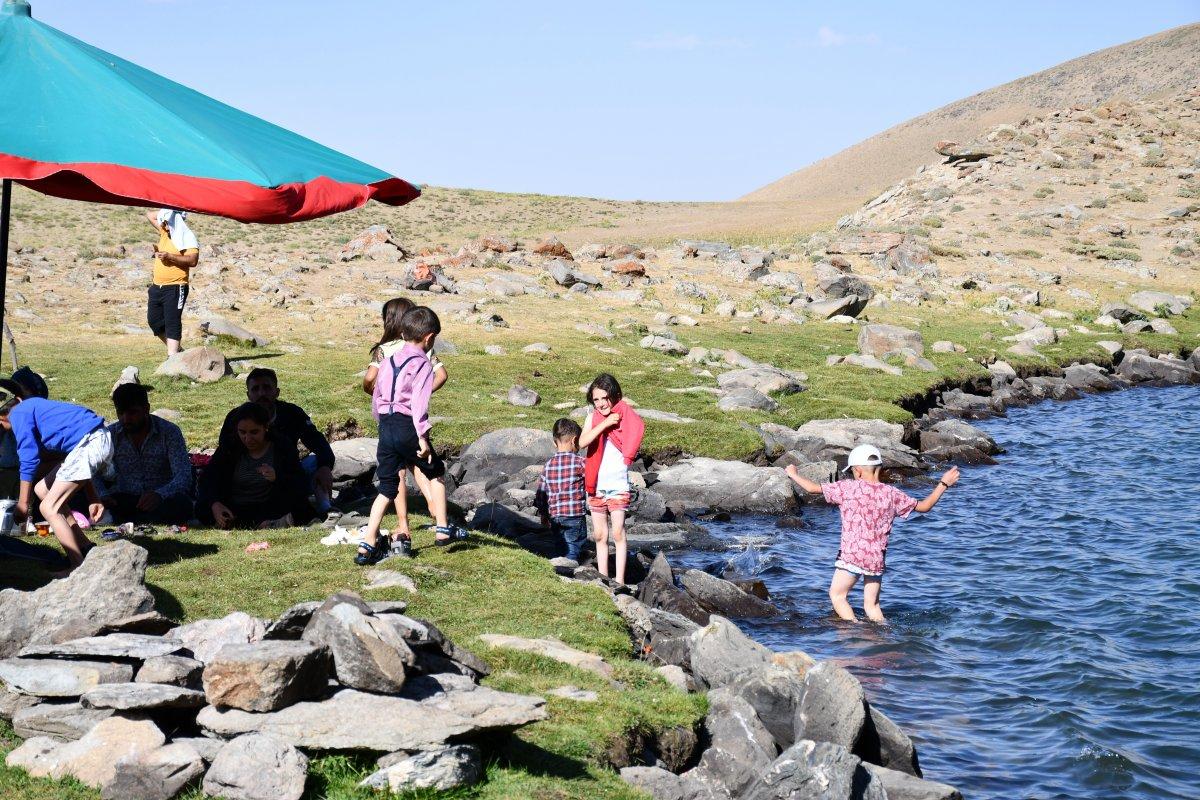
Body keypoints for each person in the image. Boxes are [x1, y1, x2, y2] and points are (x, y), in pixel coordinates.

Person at [786, 444, 960, 623]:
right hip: (876, 559)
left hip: (852, 556)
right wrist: (943, 483)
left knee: (837, 596)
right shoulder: (892, 494)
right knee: (872, 606)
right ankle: (883, 636)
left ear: (858, 471)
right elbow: (924, 506)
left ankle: (854, 630)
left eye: (852, 471)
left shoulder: (848, 488)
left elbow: (812, 489)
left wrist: (793, 474)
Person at [354, 306, 465, 565]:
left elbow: (377, 397)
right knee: (435, 471)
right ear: (429, 338)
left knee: (387, 487)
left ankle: (368, 541)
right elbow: (419, 403)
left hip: (386, 426)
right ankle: (442, 527)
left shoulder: (389, 360)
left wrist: (383, 425)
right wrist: (423, 437)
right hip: (407, 426)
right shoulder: (422, 364)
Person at [0, 380, 113, 573]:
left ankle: (77, 566)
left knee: (48, 507)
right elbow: (74, 465)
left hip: (91, 442)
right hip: (95, 440)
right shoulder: (35, 409)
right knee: (42, 489)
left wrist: (23, 503)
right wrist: (93, 498)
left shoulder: (19, 414)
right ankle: (85, 546)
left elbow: (28, 459)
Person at [362, 297, 448, 523]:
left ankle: (403, 523)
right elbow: (442, 375)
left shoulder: (385, 351)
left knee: (397, 472)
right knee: (422, 465)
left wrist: (384, 402)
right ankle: (437, 513)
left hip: (389, 420)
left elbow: (370, 378)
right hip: (413, 419)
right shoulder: (423, 351)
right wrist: (419, 394)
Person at [219, 368, 335, 515]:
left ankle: (325, 507)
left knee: (316, 461)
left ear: (277, 392)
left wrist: (325, 466)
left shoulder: (292, 413)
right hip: (247, 474)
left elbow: (318, 442)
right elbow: (224, 453)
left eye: (267, 388)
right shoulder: (236, 417)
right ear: (248, 395)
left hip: (285, 470)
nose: (261, 394)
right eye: (256, 389)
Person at [199, 403, 312, 529]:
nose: (248, 439)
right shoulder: (230, 447)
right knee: (203, 508)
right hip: (235, 506)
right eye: (242, 432)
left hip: (270, 505)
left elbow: (300, 482)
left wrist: (277, 477)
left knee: (301, 505)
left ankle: (256, 524)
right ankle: (265, 524)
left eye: (254, 432)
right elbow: (208, 477)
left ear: (266, 428)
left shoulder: (281, 446)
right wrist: (215, 503)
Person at [579, 373, 644, 585]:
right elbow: (582, 442)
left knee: (617, 532)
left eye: (604, 398)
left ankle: (620, 580)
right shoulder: (594, 418)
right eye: (596, 399)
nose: (600, 403)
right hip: (595, 485)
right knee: (599, 534)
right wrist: (605, 424)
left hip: (617, 485)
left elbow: (636, 431)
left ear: (613, 396)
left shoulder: (625, 416)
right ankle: (603, 578)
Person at [98, 383, 194, 525]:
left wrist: (159, 494)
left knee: (181, 505)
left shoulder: (169, 432)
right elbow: (92, 470)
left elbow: (183, 475)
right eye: (120, 413)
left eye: (132, 413)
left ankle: (122, 519)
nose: (126, 419)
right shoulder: (111, 434)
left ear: (146, 409)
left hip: (162, 498)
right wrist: (102, 495)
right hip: (125, 496)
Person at [145, 209, 200, 356]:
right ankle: (178, 352)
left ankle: (173, 356)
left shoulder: (187, 237)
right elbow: (150, 215)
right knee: (154, 321)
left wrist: (170, 256)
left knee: (172, 322)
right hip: (157, 286)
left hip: (176, 286)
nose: (165, 226)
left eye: (167, 223)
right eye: (163, 222)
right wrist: (168, 208)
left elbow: (192, 260)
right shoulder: (164, 232)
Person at [535, 418, 588, 564]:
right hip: (574, 514)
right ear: (575, 440)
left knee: (560, 545)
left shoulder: (548, 464)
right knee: (573, 547)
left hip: (555, 515)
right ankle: (569, 570)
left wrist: (544, 514)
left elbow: (541, 493)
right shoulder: (580, 462)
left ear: (554, 442)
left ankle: (560, 568)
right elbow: (592, 481)